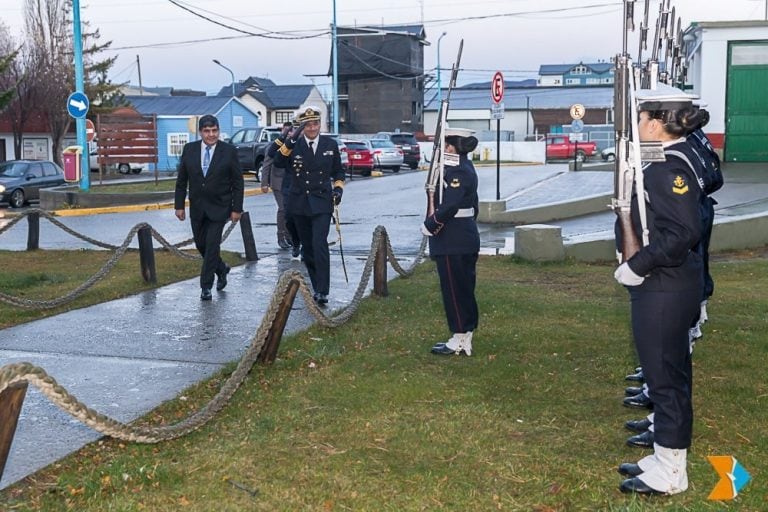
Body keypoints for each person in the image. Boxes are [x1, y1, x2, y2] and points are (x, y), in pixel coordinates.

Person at [613, 84, 707, 495]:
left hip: (664, 286)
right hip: (669, 285)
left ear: (656, 122)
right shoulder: (666, 158)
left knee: (665, 380)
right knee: (665, 372)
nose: (637, 126)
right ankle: (664, 454)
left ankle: (671, 472)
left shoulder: (671, 169)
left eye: (640, 118)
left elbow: (683, 232)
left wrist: (638, 265)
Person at [271, 106, 345, 305]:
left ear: (320, 124)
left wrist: (338, 189)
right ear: (302, 126)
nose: (312, 128)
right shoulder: (294, 145)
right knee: (309, 248)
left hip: (321, 202)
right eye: (308, 125)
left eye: (315, 124)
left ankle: (322, 290)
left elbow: (338, 172)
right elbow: (277, 161)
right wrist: (291, 138)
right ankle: (315, 283)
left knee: (320, 243)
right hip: (299, 203)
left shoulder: (330, 144)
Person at [422, 127, 480, 356]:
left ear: (452, 146)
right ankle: (464, 334)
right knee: (462, 288)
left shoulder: (458, 171)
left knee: (455, 290)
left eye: (445, 144)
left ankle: (460, 336)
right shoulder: (460, 167)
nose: (442, 149)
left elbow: (450, 205)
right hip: (461, 236)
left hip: (453, 238)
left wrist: (430, 224)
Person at [174, 114, 244, 301]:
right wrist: (179, 205)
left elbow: (238, 182)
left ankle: (206, 287)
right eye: (207, 131)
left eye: (214, 131)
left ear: (218, 131)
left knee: (212, 245)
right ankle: (221, 269)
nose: (211, 135)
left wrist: (237, 209)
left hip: (220, 207)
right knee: (202, 245)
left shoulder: (228, 151)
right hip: (197, 207)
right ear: (200, 132)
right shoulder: (189, 150)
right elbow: (182, 181)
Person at [262, 121, 296, 250]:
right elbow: (266, 165)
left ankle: (290, 236)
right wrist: (264, 183)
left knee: (290, 210)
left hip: (291, 183)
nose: (288, 134)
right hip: (278, 182)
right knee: (282, 209)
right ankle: (280, 237)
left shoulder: (295, 145)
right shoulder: (274, 146)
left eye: (291, 131)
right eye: (286, 131)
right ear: (282, 131)